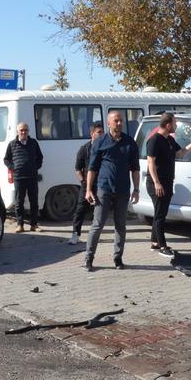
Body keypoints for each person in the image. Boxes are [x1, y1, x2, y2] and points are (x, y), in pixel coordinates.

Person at [84, 111, 140, 271]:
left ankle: (118, 258)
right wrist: (88, 190)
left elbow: (135, 168)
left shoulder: (129, 142)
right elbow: (92, 169)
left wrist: (136, 189)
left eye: (121, 121)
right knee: (98, 224)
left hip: (123, 191)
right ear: (109, 123)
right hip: (104, 189)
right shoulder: (100, 142)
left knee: (120, 226)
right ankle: (89, 258)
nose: (120, 123)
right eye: (116, 121)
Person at [146, 113, 191, 257]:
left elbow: (181, 153)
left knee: (160, 213)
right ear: (168, 124)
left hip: (168, 183)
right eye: (175, 123)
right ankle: (163, 246)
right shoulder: (154, 141)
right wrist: (157, 183)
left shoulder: (169, 139)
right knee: (160, 216)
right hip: (157, 184)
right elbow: (150, 162)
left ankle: (154, 243)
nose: (176, 126)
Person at [68, 122, 105, 245]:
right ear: (92, 134)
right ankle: (75, 234)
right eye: (98, 132)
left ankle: (96, 234)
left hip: (102, 184)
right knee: (80, 209)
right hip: (87, 185)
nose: (101, 135)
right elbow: (78, 168)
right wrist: (84, 182)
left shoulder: (106, 147)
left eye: (102, 132)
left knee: (100, 210)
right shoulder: (84, 149)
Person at [3, 122, 44, 233]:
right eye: (21, 130)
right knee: (19, 202)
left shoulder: (33, 143)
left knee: (34, 201)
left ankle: (34, 225)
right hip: (19, 178)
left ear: (28, 131)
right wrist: (13, 168)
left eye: (25, 130)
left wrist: (35, 167)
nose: (23, 132)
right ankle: (20, 225)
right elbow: (6, 159)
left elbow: (40, 157)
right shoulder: (12, 144)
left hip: (32, 177)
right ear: (17, 131)